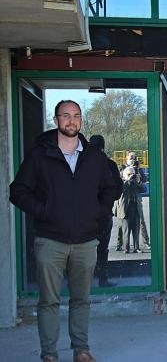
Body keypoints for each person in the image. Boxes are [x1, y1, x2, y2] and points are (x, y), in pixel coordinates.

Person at [10, 100, 121, 362]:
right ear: (57, 119)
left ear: (81, 120)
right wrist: (45, 212)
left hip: (85, 241)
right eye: (66, 116)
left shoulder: (94, 156)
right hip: (50, 241)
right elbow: (18, 191)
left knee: (81, 299)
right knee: (49, 301)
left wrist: (97, 211)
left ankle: (81, 351)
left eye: (76, 116)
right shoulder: (41, 155)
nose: (72, 121)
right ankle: (49, 354)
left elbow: (112, 188)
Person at [89, 135, 123, 287]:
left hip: (85, 215)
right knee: (103, 248)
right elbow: (117, 190)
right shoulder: (110, 165)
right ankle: (103, 280)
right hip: (104, 214)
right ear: (103, 146)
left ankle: (81, 282)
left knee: (82, 249)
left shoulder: (81, 164)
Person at [115, 166, 144, 253]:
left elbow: (143, 189)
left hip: (135, 208)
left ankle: (137, 247)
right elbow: (121, 190)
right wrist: (127, 179)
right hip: (125, 210)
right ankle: (126, 248)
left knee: (136, 229)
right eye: (129, 174)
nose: (132, 176)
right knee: (125, 230)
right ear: (125, 175)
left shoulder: (135, 183)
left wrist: (139, 182)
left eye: (133, 174)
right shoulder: (122, 182)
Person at [126, 151, 150, 249]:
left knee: (141, 220)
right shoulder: (123, 168)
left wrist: (138, 172)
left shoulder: (138, 170)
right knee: (123, 222)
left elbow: (144, 180)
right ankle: (122, 244)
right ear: (127, 158)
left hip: (137, 198)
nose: (133, 159)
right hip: (125, 199)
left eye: (134, 157)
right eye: (131, 157)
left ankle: (146, 241)